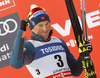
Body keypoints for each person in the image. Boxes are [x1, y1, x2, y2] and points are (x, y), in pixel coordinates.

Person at [10, 4, 92, 78]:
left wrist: (83, 55)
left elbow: (75, 71)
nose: (45, 29)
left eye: (47, 24)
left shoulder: (59, 42)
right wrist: (22, 31)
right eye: (40, 25)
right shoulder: (30, 46)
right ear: (32, 28)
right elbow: (15, 64)